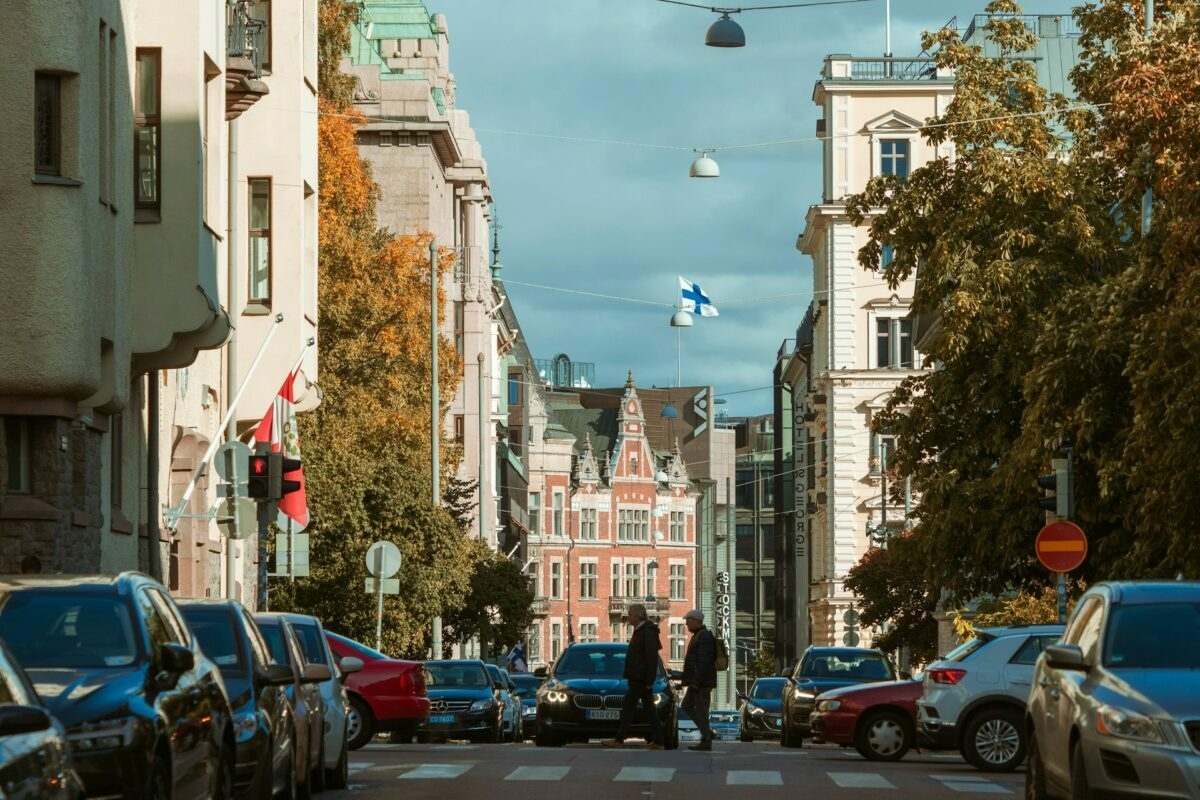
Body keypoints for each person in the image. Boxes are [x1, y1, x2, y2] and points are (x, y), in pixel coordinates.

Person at [602, 604, 665, 750]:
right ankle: (658, 740)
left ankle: (619, 738)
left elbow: (651, 657)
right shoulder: (641, 631)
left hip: (641, 679)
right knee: (648, 709)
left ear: (638, 616)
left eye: (630, 614)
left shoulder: (646, 632)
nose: (628, 616)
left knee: (629, 707)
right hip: (639, 678)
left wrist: (649, 680)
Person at [680, 608, 717, 751]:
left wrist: (696, 681)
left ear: (697, 621)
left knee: (701, 710)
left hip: (701, 683)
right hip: (698, 681)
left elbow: (704, 661)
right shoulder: (699, 636)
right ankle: (706, 734)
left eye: (689, 621)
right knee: (687, 706)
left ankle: (706, 738)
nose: (687, 625)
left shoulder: (704, 637)